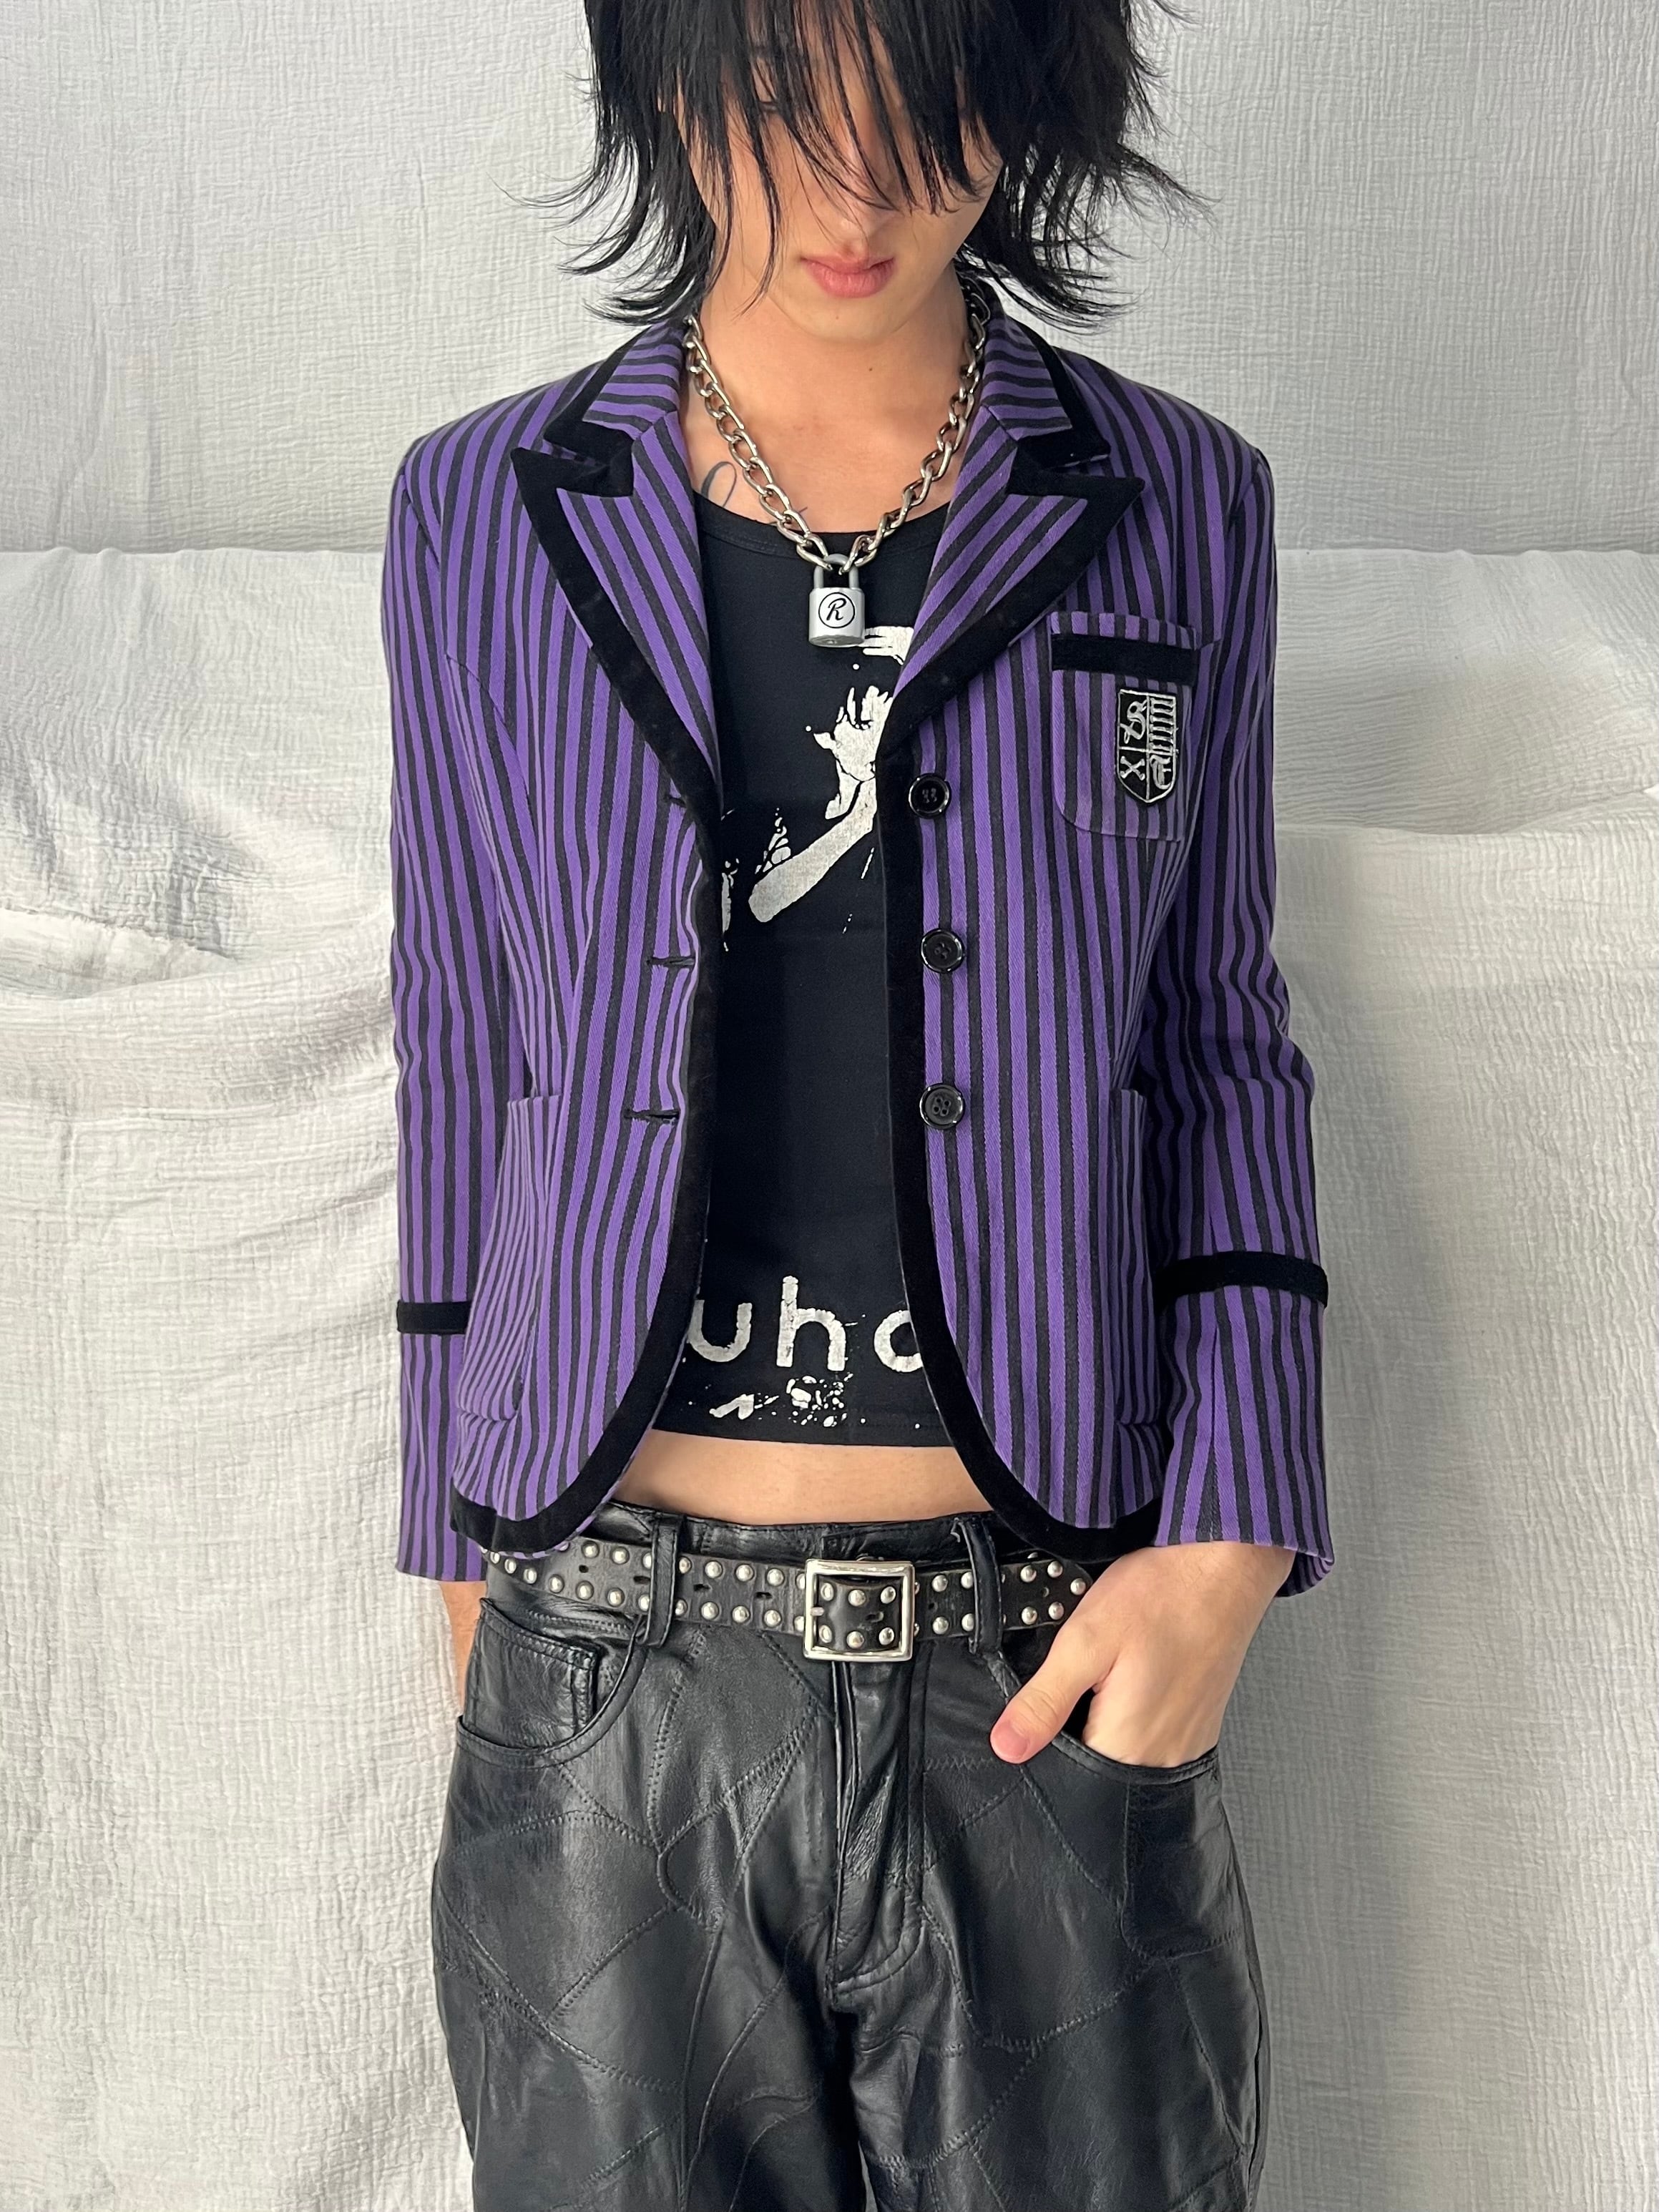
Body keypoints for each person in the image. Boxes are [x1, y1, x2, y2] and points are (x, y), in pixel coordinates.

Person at [382, 1, 1333, 2203]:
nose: (857, 183)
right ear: (662, 75)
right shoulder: (481, 515)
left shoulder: (1178, 505)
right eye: (780, 98)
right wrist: (461, 1566)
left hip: (1041, 1670)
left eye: (930, 102)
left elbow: (1220, 1037)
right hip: (603, 1675)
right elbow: (463, 1054)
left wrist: (1230, 1534)